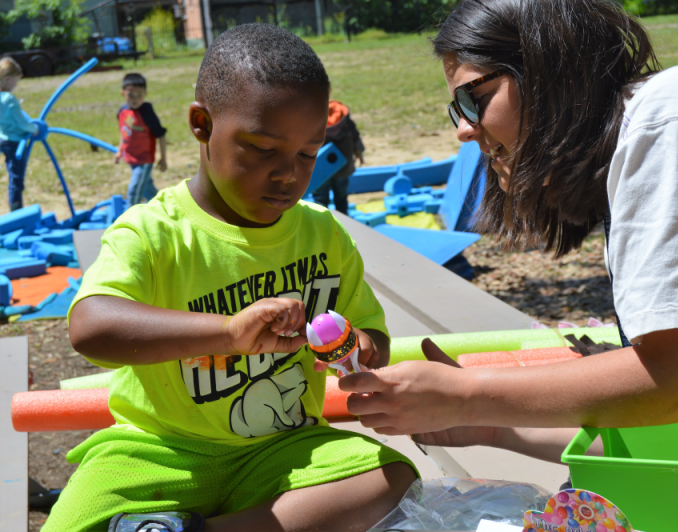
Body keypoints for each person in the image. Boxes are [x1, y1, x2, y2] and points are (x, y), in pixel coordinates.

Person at [338, 0, 678, 464]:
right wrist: (493, 424)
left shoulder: (674, 119)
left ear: (548, 67)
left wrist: (465, 393)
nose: (463, 130)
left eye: (472, 99)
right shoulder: (651, 137)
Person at [50, 24, 416, 532]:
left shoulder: (322, 235)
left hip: (283, 449)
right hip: (160, 451)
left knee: (392, 480)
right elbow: (90, 328)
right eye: (264, 149)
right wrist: (226, 333)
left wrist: (359, 349)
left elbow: (373, 334)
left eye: (307, 154)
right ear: (202, 124)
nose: (289, 174)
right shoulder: (153, 231)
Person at [114, 72, 168, 210]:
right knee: (147, 189)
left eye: (139, 95)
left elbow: (161, 135)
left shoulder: (147, 113)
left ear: (145, 93)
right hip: (131, 159)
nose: (135, 99)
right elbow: (124, 132)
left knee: (134, 191)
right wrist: (119, 151)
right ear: (123, 93)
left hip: (144, 160)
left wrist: (163, 158)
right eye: (130, 95)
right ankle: (165, 209)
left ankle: (129, 219)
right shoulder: (122, 112)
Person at [312, 100, 364, 214]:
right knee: (341, 198)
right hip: (342, 165)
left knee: (320, 200)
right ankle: (343, 224)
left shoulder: (312, 116)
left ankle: (321, 226)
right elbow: (355, 136)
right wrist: (359, 152)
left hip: (319, 167)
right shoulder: (343, 116)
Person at [0, 57, 38, 211]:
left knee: (13, 175)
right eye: (16, 81)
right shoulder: (10, 99)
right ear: (8, 79)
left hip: (3, 139)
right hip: (15, 142)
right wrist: (34, 129)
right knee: (16, 177)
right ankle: (16, 210)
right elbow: (21, 123)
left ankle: (16, 207)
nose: (16, 85)